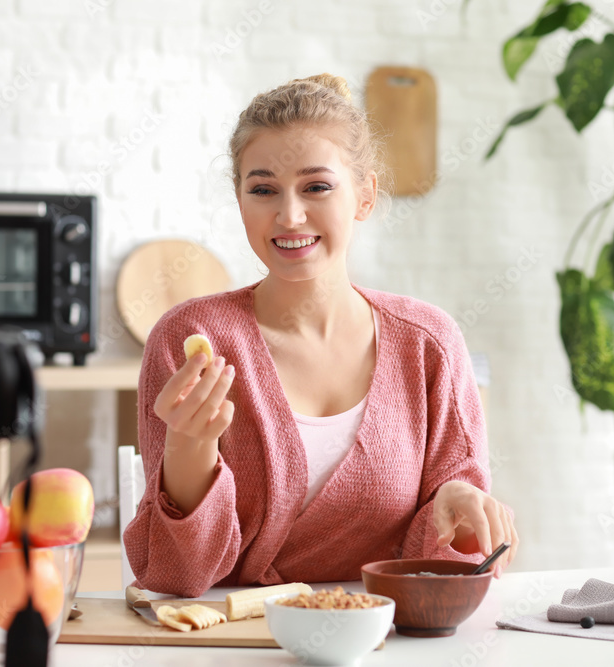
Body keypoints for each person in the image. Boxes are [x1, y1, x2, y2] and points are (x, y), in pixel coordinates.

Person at [123, 73, 518, 597]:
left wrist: (463, 513)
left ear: (365, 195)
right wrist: (188, 449)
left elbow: (453, 564)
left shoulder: (429, 344)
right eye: (263, 189)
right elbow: (177, 577)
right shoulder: (189, 339)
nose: (289, 215)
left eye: (317, 187)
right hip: (232, 647)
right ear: (239, 200)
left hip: (382, 642)